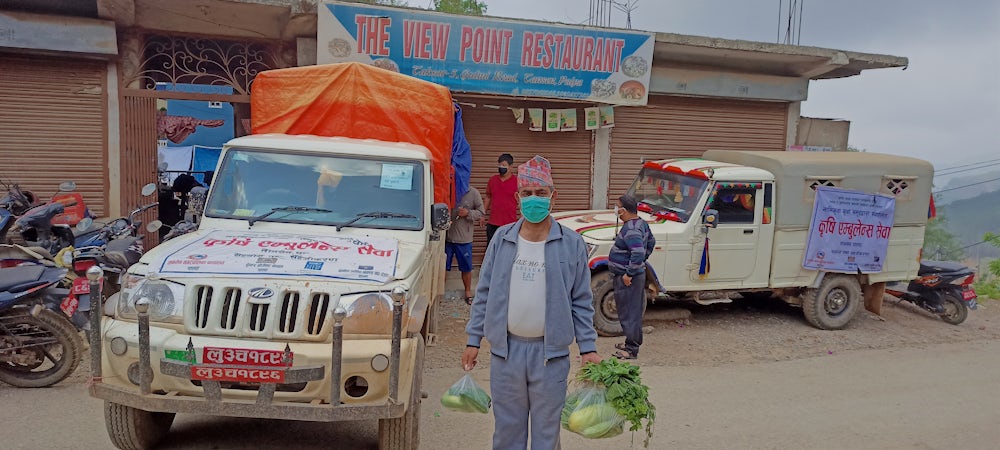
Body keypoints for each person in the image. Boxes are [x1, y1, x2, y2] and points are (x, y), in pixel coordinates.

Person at [463, 155, 601, 450]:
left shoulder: (571, 243)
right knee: (507, 432)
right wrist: (474, 339)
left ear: (553, 196)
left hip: (550, 357)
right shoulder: (502, 239)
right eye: (527, 194)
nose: (534, 200)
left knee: (546, 433)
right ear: (518, 197)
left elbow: (581, 300)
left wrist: (588, 348)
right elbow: (484, 292)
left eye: (541, 193)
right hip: (506, 353)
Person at [608, 194, 655, 360]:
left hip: (628, 278)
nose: (615, 209)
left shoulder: (632, 230)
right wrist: (641, 262)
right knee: (630, 311)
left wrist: (630, 273)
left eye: (617, 206)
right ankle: (631, 342)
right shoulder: (640, 223)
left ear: (624, 210)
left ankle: (631, 350)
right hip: (632, 275)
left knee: (629, 313)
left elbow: (638, 252)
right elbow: (651, 243)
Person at [446, 186, 485, 305]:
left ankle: (468, 292)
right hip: (446, 237)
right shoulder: (447, 188)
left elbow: (481, 212)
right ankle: (439, 292)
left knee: (466, 267)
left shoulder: (473, 193)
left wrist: (468, 213)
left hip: (464, 239)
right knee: (442, 267)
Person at [483, 153, 518, 248]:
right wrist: (483, 214)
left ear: (511, 167)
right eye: (499, 165)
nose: (501, 167)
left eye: (504, 165)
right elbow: (488, 197)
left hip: (510, 223)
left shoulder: (517, 182)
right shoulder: (493, 180)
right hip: (493, 223)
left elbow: (522, 200)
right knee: (491, 248)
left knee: (507, 248)